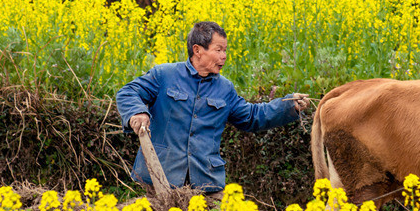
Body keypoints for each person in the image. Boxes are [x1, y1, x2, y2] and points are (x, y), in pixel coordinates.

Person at [117, 21, 309, 194]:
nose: (224, 56)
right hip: (160, 179)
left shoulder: (225, 88)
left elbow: (252, 116)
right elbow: (128, 92)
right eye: (218, 50)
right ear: (198, 50)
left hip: (205, 184)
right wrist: (137, 112)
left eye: (225, 50)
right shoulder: (164, 75)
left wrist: (288, 106)